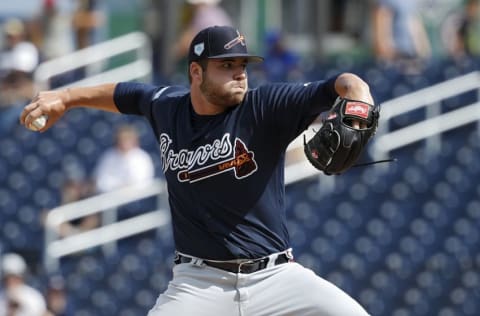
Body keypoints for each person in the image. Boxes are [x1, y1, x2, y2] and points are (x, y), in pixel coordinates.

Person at [20, 25, 374, 315]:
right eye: (227, 65)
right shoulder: (167, 106)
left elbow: (340, 85)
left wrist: (359, 94)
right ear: (196, 71)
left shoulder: (264, 106)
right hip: (198, 284)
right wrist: (65, 97)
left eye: (243, 65)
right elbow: (122, 94)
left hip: (277, 277)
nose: (239, 73)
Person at [93, 124, 155, 194]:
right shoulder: (109, 156)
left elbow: (142, 182)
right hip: (110, 197)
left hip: (136, 198)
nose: (124, 143)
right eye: (121, 139)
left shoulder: (142, 157)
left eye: (127, 139)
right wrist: (118, 186)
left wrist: (123, 186)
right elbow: (101, 181)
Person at [371, 0, 431, 72]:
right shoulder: (387, 2)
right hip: (396, 62)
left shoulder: (412, 2)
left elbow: (417, 26)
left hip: (412, 58)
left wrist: (424, 52)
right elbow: (381, 39)